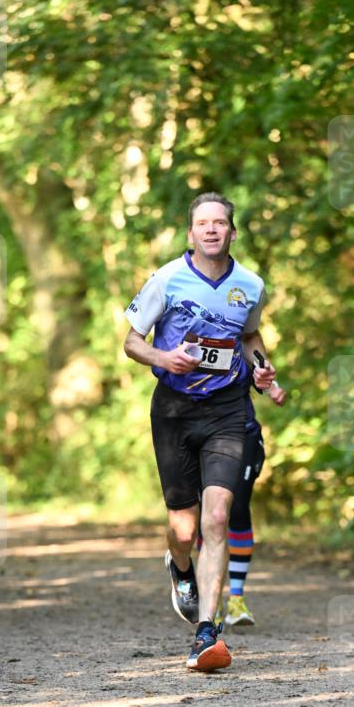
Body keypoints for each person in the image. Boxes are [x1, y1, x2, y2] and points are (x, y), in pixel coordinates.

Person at [123, 192, 276, 672]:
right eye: (203, 223)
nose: (212, 229)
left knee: (217, 516)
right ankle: (181, 567)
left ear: (232, 232)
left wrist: (263, 367)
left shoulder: (250, 285)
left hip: (228, 409)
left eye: (220, 223)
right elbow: (131, 342)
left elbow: (249, 336)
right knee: (183, 528)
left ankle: (207, 631)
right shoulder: (166, 279)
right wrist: (164, 358)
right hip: (173, 409)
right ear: (191, 233)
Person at [220, 375, 287, 628]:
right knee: (209, 514)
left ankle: (236, 599)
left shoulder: (243, 344)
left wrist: (273, 386)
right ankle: (211, 602)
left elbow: (258, 361)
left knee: (237, 507)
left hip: (244, 432)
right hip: (198, 431)